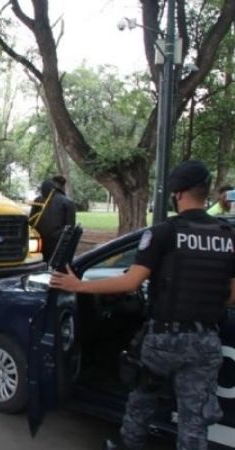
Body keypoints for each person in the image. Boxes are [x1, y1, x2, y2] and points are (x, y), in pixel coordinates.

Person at [50, 160, 235, 450]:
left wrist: (78, 286)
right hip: (206, 341)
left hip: (163, 340)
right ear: (205, 192)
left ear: (178, 194)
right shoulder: (227, 235)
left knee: (142, 401)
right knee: (194, 419)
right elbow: (231, 296)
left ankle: (129, 445)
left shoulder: (164, 232)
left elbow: (130, 282)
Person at [29, 179, 76, 262]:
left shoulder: (38, 200)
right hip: (55, 243)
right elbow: (70, 228)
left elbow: (31, 222)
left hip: (45, 242)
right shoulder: (68, 202)